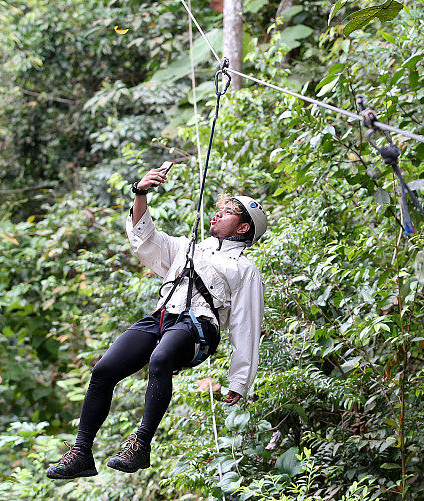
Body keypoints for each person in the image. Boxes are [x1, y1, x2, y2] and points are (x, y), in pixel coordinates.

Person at [46, 165, 267, 478]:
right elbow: (144, 239)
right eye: (219, 210)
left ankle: (141, 444)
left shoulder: (244, 270)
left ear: (243, 228)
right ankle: (81, 452)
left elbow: (246, 326)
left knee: (161, 359)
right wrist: (141, 193)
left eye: (228, 212)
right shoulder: (187, 247)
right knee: (104, 370)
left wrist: (240, 380)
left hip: (199, 328)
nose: (217, 215)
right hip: (163, 318)